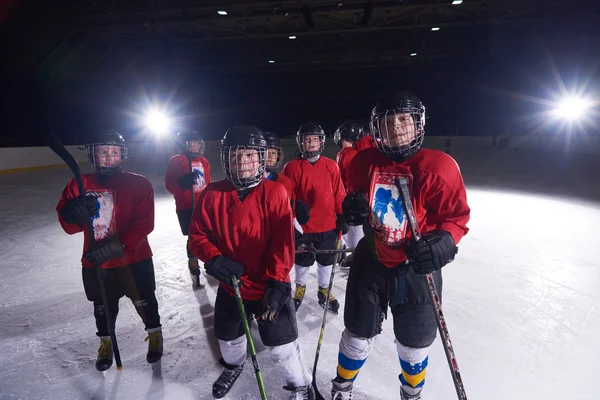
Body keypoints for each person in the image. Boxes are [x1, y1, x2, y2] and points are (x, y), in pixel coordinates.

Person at [330, 92, 470, 400]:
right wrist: (354, 208)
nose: (396, 128)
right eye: (388, 122)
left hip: (417, 266)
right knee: (356, 333)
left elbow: (456, 217)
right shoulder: (362, 162)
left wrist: (444, 242)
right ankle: (341, 386)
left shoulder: (440, 167)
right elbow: (360, 201)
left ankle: (411, 391)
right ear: (376, 128)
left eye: (404, 120)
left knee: (414, 343)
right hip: (373, 257)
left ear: (418, 124)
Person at [188, 125, 314, 400]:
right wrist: (214, 258)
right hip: (232, 285)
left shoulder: (275, 193)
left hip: (268, 285)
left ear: (261, 159)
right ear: (226, 160)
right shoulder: (212, 194)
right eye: (235, 157)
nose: (242, 163)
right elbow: (197, 236)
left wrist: (278, 282)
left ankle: (301, 384)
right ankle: (233, 366)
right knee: (228, 337)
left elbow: (283, 244)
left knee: (282, 344)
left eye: (249, 156)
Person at [56, 129, 162, 372]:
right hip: (96, 263)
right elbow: (69, 227)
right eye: (103, 152)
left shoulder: (139, 183)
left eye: (114, 152)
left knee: (145, 300)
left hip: (134, 259)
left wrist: (117, 246)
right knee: (102, 307)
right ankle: (105, 342)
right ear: (93, 154)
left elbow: (145, 223)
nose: (109, 157)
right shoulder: (78, 185)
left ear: (122, 155)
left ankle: (155, 334)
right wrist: (72, 214)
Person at [282, 122, 347, 313]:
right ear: (300, 142)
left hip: (328, 226)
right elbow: (287, 198)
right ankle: (300, 287)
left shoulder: (331, 166)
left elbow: (339, 194)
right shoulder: (291, 167)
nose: (311, 143)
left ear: (321, 142)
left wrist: (342, 216)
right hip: (304, 228)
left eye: (314, 139)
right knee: (302, 262)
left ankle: (324, 290)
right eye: (307, 139)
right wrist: (293, 222)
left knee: (326, 262)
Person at [164, 130, 211, 285]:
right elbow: (169, 184)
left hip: (202, 204)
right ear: (183, 145)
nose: (196, 146)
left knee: (208, 233)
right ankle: (193, 261)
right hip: (186, 206)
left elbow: (207, 183)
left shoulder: (204, 161)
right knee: (193, 235)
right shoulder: (176, 160)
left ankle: (209, 258)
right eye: (192, 143)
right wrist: (181, 182)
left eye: (198, 143)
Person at [262, 131, 311, 244]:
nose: (270, 156)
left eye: (273, 153)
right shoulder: (249, 183)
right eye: (266, 152)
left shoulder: (284, 182)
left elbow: (291, 216)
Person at [333, 123, 362, 268]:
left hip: (349, 196)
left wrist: (350, 195)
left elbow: (353, 177)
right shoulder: (343, 154)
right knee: (346, 227)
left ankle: (357, 255)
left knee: (355, 228)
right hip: (343, 196)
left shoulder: (351, 155)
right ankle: (346, 250)